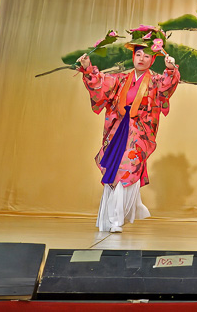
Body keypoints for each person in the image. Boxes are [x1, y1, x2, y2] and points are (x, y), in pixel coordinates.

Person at [77, 25, 180, 233]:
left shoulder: (156, 80)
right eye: (138, 54)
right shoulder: (122, 79)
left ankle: (117, 219)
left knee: (127, 169)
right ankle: (110, 218)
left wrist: (170, 69)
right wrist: (88, 69)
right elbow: (101, 85)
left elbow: (167, 86)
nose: (141, 59)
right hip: (118, 130)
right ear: (133, 56)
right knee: (114, 170)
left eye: (146, 56)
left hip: (139, 132)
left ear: (153, 60)